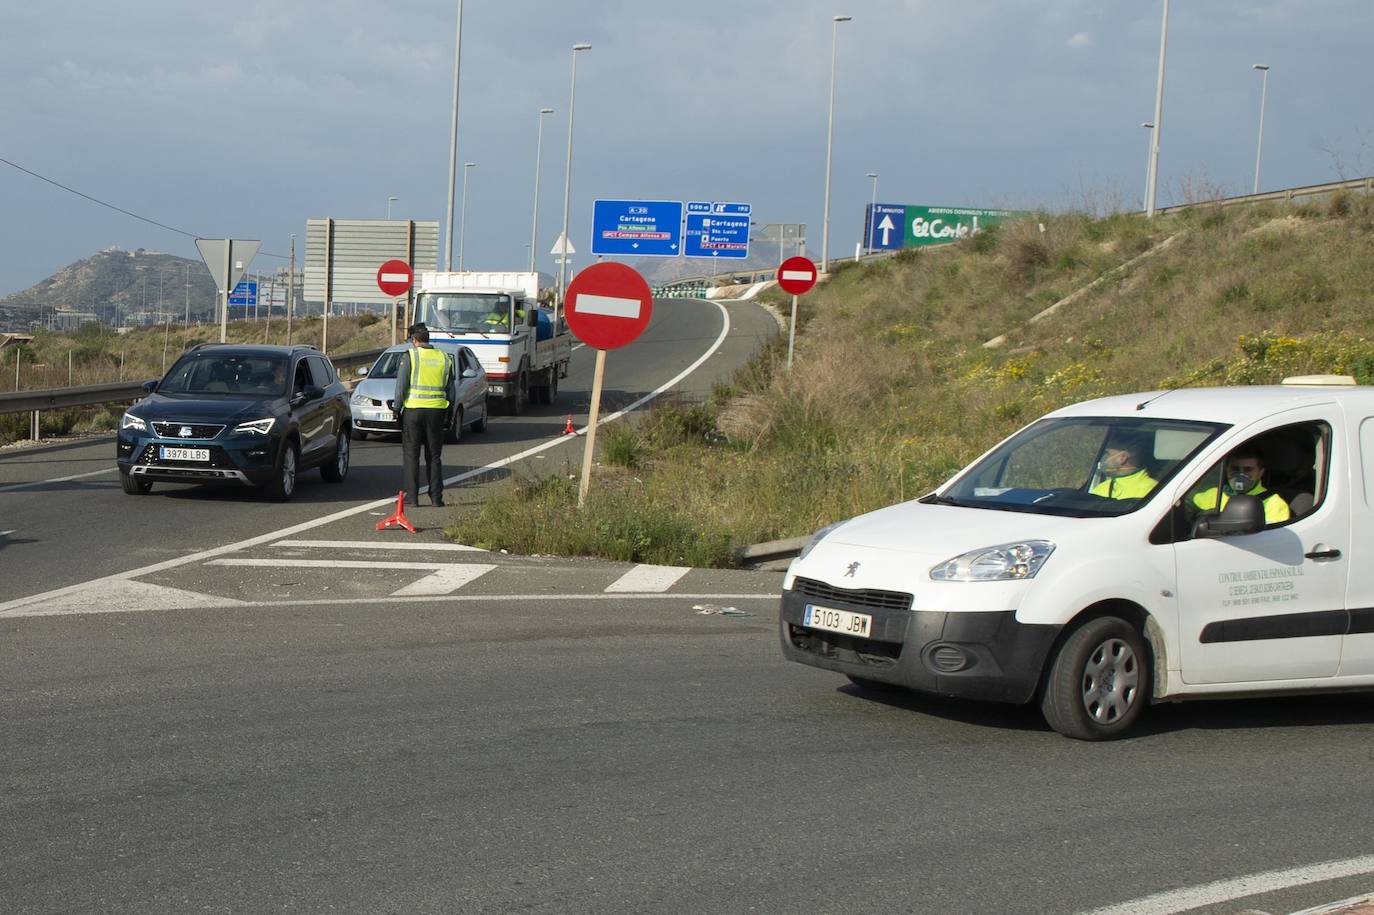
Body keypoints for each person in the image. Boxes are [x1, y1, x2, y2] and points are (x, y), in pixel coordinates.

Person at [391, 323, 457, 507]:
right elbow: (451, 390)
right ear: (428, 340)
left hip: (413, 410)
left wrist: (397, 408)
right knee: (434, 456)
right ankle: (436, 497)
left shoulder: (411, 356)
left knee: (411, 455)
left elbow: (401, 386)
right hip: (437, 411)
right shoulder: (444, 357)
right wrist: (449, 412)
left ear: (414, 340)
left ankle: (413, 498)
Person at [1192, 445, 1291, 524]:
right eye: (1235, 469)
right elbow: (1186, 510)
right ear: (1226, 469)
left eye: (1248, 470)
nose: (1240, 474)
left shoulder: (1274, 504)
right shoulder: (1213, 494)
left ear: (1260, 473)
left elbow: (1269, 541)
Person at [1090, 436, 1158, 499]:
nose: (1104, 457)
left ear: (1122, 458)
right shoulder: (1101, 488)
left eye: (1108, 453)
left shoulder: (1151, 491)